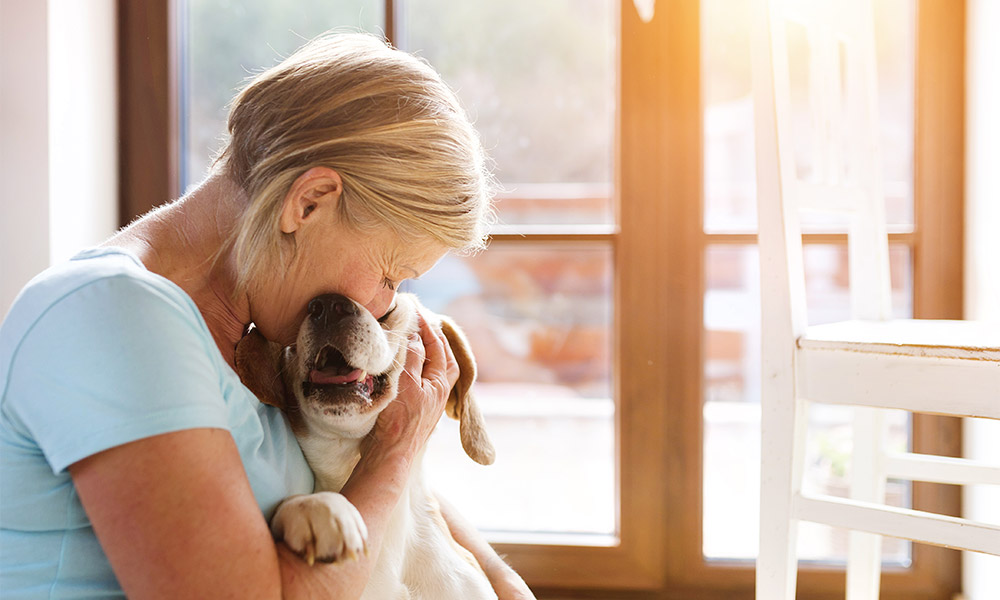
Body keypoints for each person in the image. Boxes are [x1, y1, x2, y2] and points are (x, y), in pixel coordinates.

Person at [0, 32, 532, 599]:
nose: (381, 308)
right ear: (308, 202)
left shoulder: (254, 342)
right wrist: (394, 453)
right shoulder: (117, 316)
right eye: (389, 275)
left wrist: (501, 581)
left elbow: (370, 489)